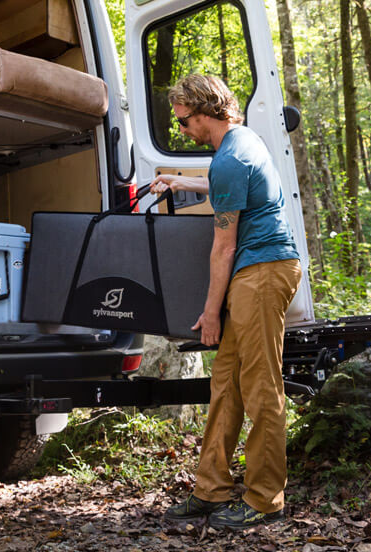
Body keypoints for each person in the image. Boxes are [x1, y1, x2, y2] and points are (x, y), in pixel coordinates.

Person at [153, 74, 301, 529]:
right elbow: (227, 192)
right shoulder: (238, 144)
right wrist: (180, 181)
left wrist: (210, 311)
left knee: (260, 389)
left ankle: (264, 499)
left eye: (182, 123)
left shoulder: (231, 158)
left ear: (203, 114)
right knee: (226, 385)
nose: (182, 131)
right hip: (254, 273)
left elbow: (224, 246)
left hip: (260, 272)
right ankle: (211, 489)